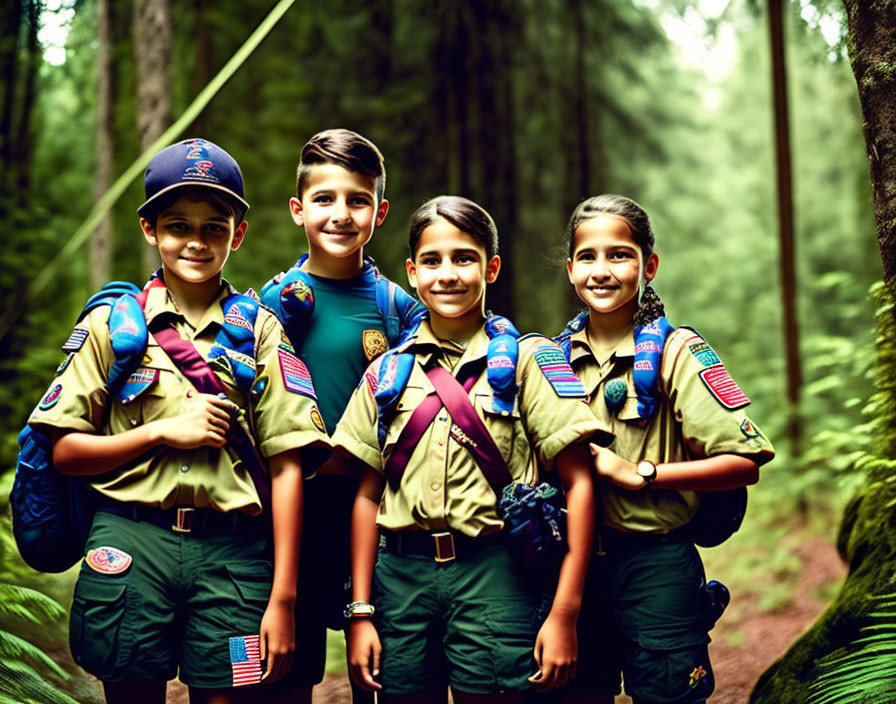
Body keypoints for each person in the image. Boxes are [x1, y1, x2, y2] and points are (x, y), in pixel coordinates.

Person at [28, 138, 330, 704]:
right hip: (129, 542)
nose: (196, 240)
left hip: (233, 556)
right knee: (130, 693)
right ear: (150, 229)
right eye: (178, 225)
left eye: (215, 227)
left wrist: (283, 598)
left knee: (228, 695)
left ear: (237, 235)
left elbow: (289, 466)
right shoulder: (114, 326)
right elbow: (64, 450)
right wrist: (162, 431)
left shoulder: (262, 331)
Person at [333, 195, 612, 703]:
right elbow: (367, 496)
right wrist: (360, 611)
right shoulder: (386, 374)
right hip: (401, 580)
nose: (449, 274)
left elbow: (578, 483)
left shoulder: (532, 362)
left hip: (496, 575)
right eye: (433, 261)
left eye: (464, 258)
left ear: (492, 268)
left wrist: (565, 613)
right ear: (413, 273)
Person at [555, 194, 775, 704]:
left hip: (654, 563)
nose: (601, 270)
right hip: (569, 567)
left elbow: (744, 463)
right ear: (570, 269)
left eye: (620, 255)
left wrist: (644, 473)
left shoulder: (678, 353)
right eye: (588, 256)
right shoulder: (551, 358)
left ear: (648, 266)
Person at [259, 128, 425, 704]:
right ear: (298, 209)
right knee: (286, 672)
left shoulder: (399, 307)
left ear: (379, 212)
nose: (341, 214)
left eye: (357, 200)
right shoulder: (268, 303)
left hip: (373, 512)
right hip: (289, 513)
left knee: (380, 670)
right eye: (325, 199)